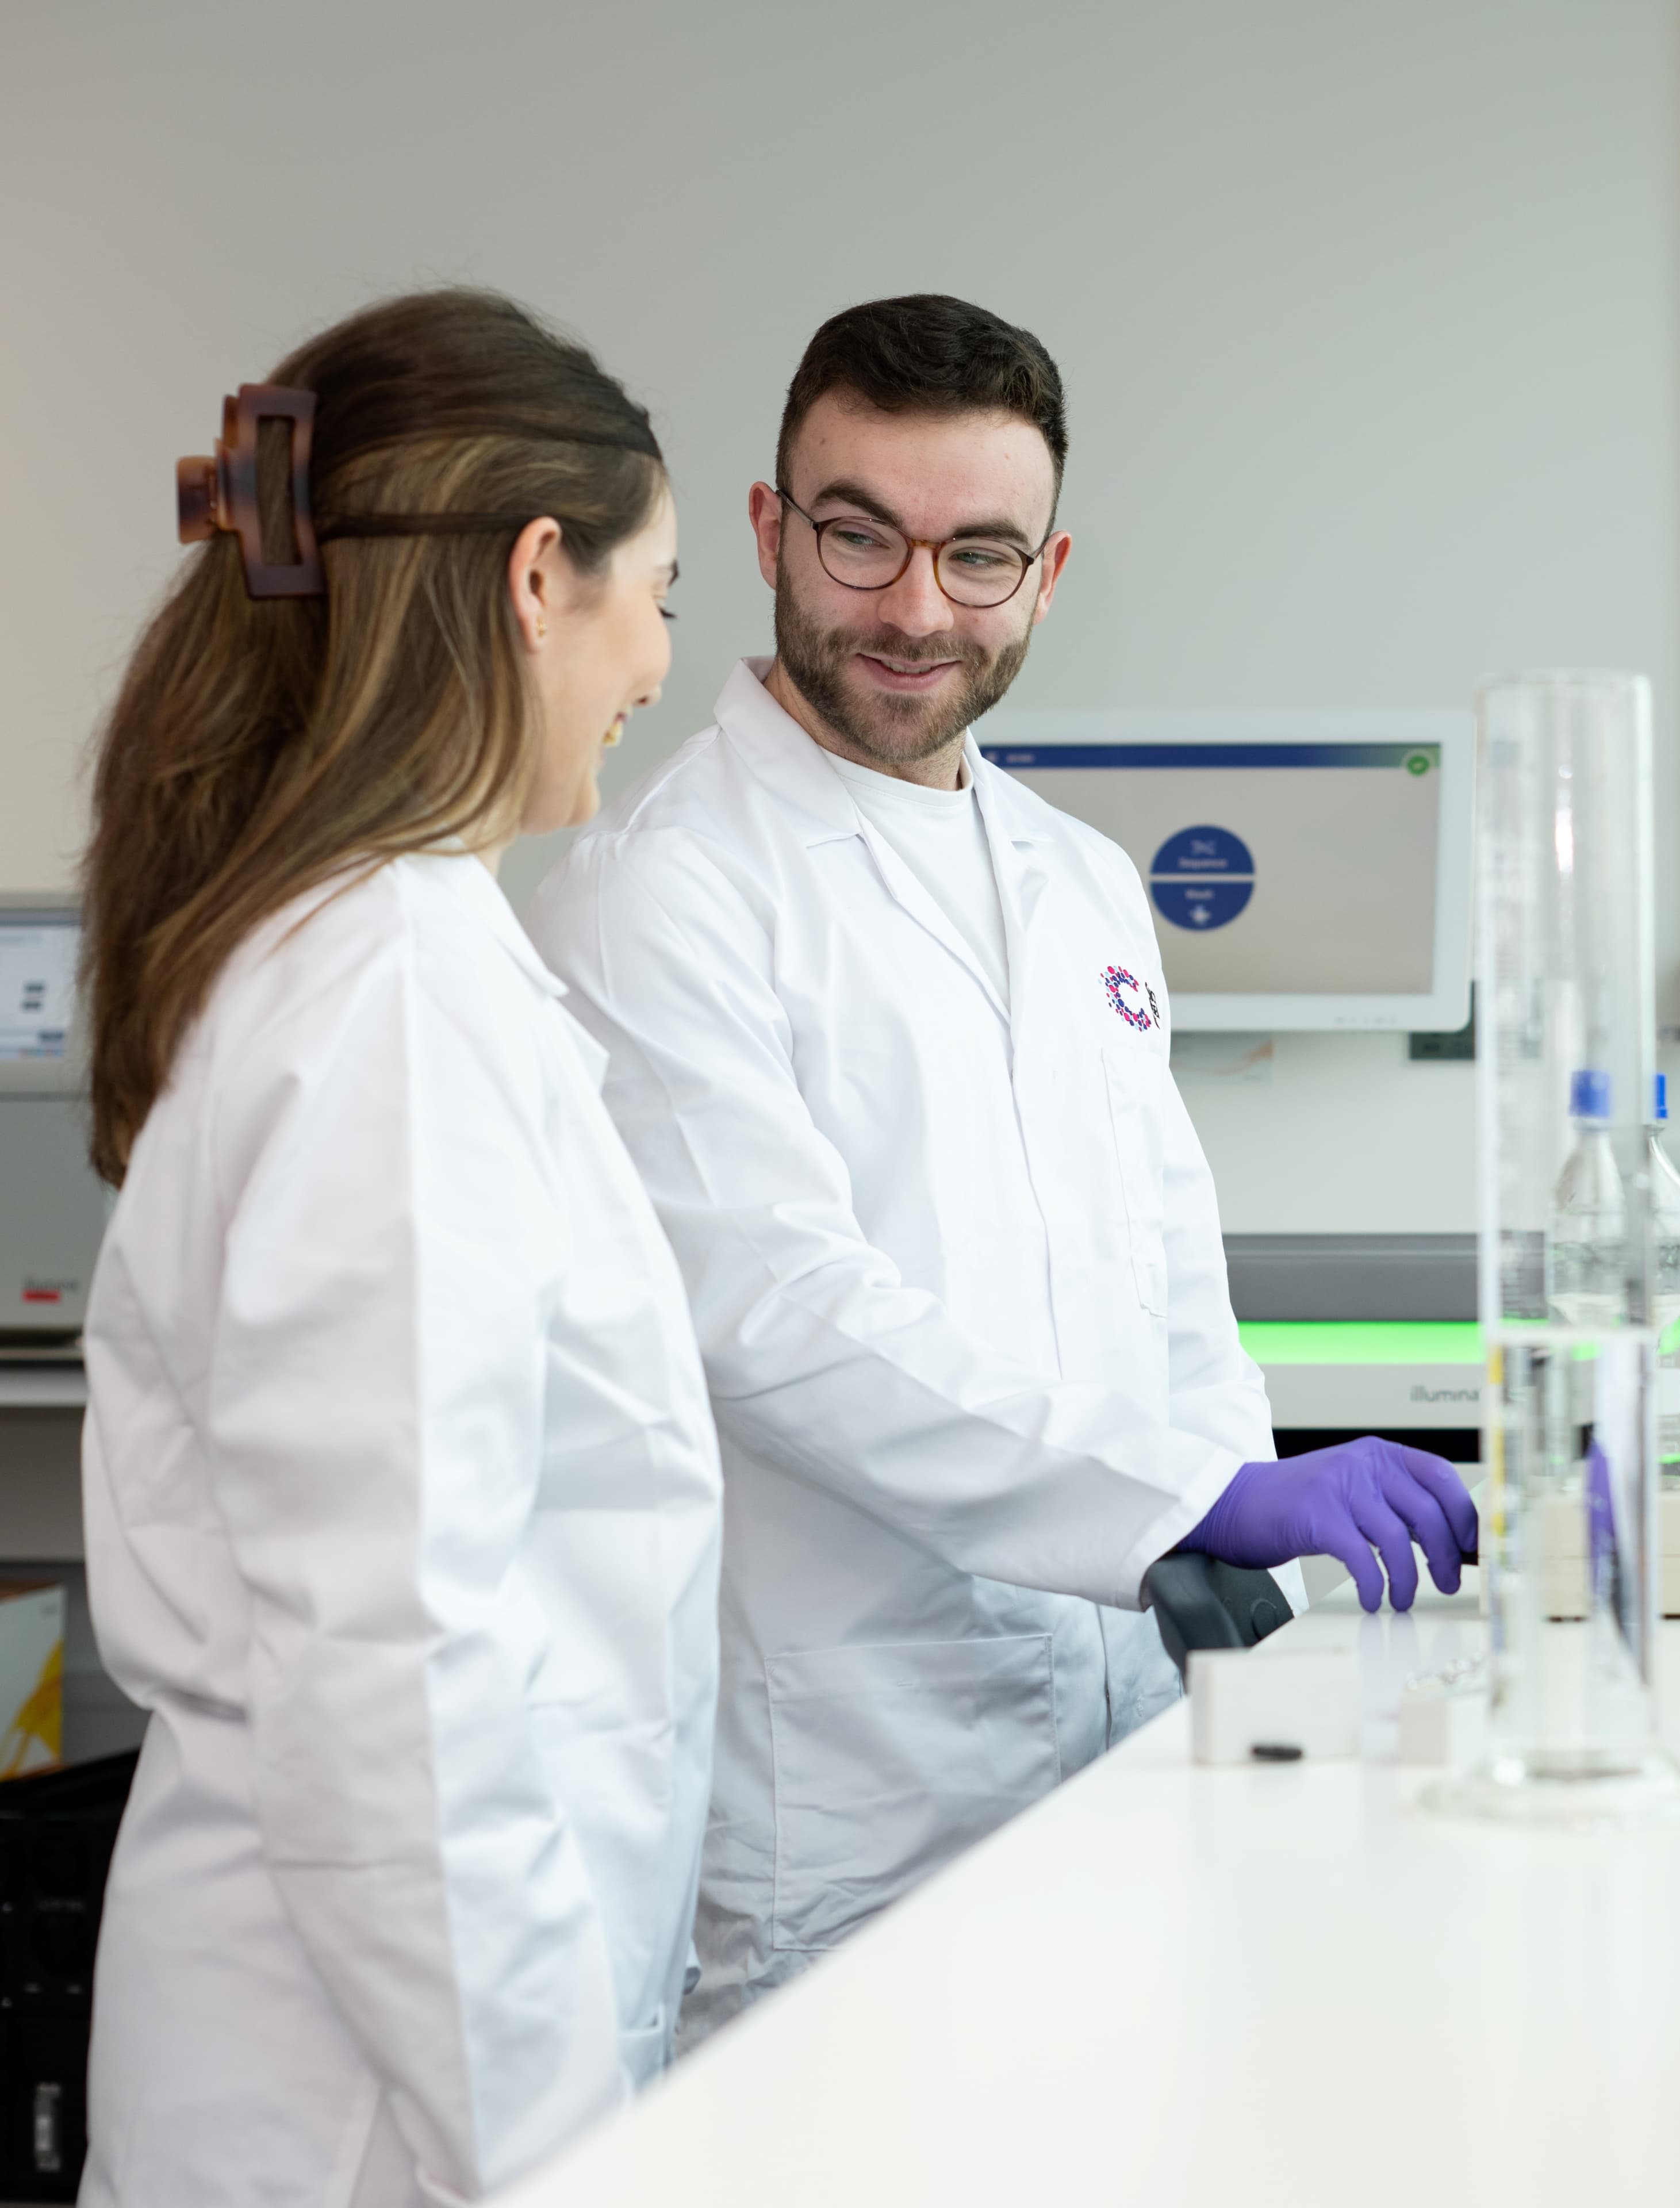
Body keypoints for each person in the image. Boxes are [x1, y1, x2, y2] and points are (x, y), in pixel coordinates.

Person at [527, 293, 1474, 2034]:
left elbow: (1167, 1275)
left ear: (1045, 575)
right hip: (850, 1803)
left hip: (1133, 1743)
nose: (911, 608)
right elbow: (783, 1313)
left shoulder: (1081, 883)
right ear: (767, 531)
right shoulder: (658, 890)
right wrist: (1177, 1502)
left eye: (978, 557)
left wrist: (1246, 1567)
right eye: (860, 535)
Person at [77, 290, 722, 2206]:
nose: (659, 664)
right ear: (542, 578)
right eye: (663, 593)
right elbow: (397, 1676)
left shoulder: (374, 959)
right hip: (378, 2107)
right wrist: (555, 2160)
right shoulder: (392, 996)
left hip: (357, 2060)